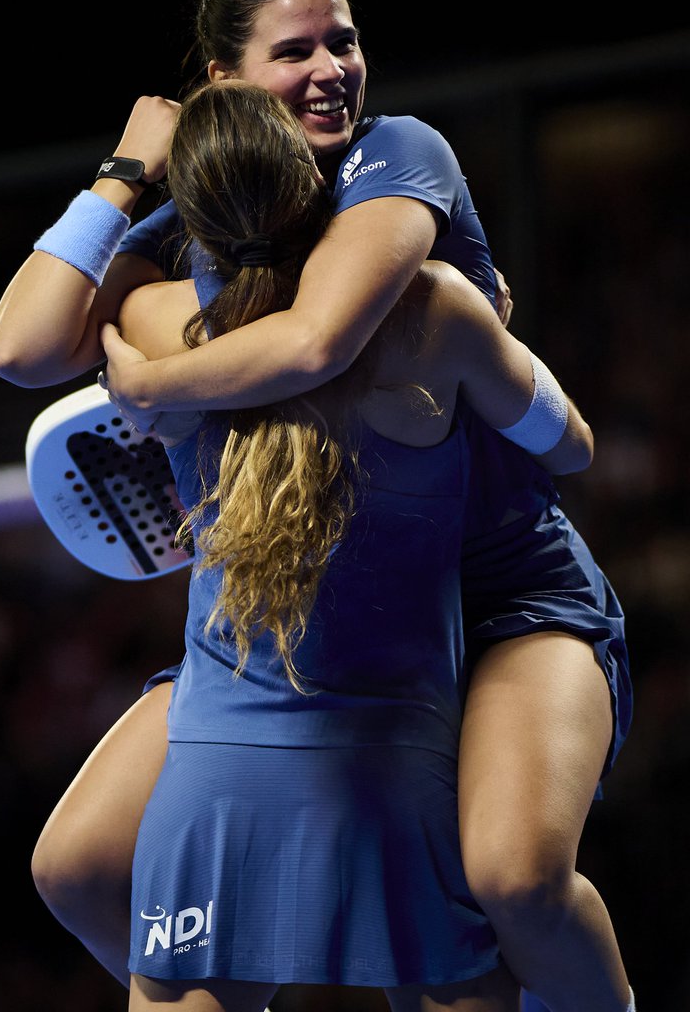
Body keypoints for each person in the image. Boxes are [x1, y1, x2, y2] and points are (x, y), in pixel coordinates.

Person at [0, 0, 633, 1012]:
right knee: (80, 867)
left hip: (502, 595)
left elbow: (317, 343)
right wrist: (121, 169)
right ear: (223, 85)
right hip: (315, 615)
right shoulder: (196, 220)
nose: (332, 67)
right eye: (295, 51)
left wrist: (155, 385)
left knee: (514, 879)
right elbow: (18, 347)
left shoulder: (398, 156)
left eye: (344, 40)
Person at [115, 77, 599, 1011]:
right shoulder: (434, 312)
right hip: (391, 763)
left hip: (209, 779)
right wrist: (495, 341)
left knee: (74, 873)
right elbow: (569, 443)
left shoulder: (151, 332)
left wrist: (126, 179)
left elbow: (17, 346)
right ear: (317, 187)